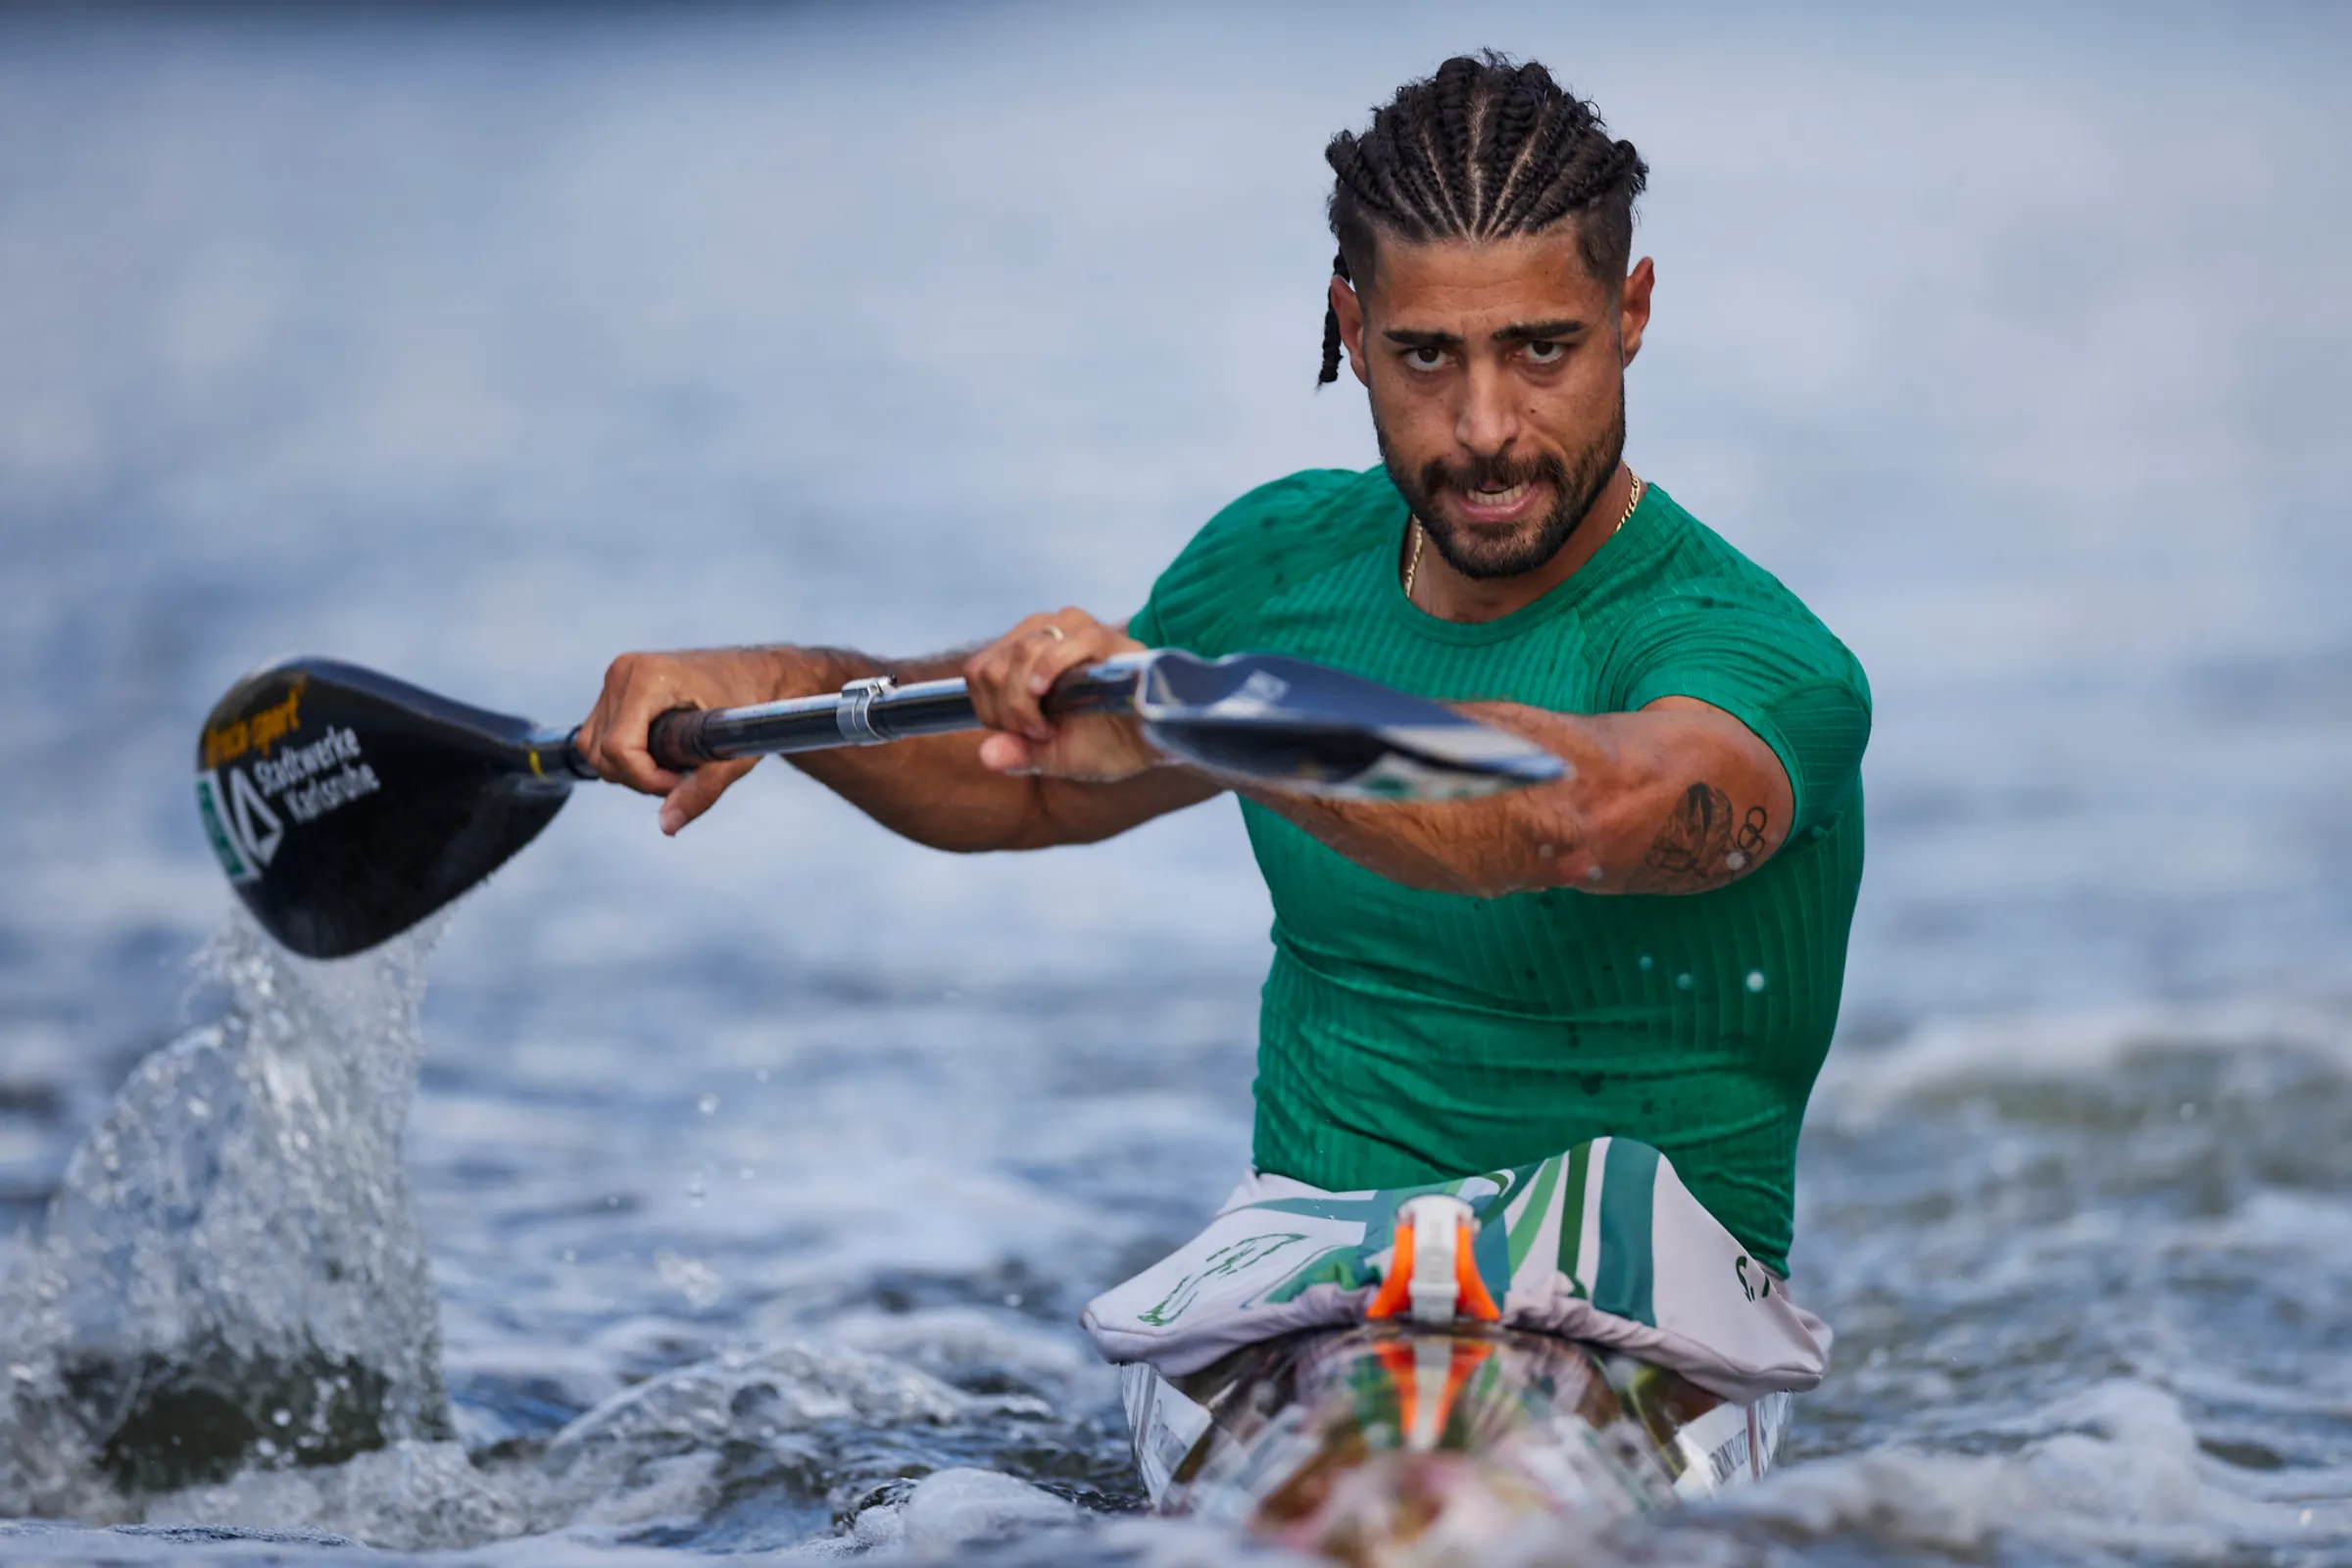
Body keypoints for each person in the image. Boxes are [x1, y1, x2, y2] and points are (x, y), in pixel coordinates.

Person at [576, 54, 1869, 1287]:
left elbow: (1572, 813)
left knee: (1416, 1521)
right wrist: (769, 691)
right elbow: (1030, 785)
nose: (1484, 429)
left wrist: (1198, 712)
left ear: (1630, 315)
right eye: (1427, 355)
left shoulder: (1753, 657)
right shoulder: (1280, 563)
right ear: (1349, 328)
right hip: (1309, 1279)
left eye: (1543, 348)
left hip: (1650, 1305)